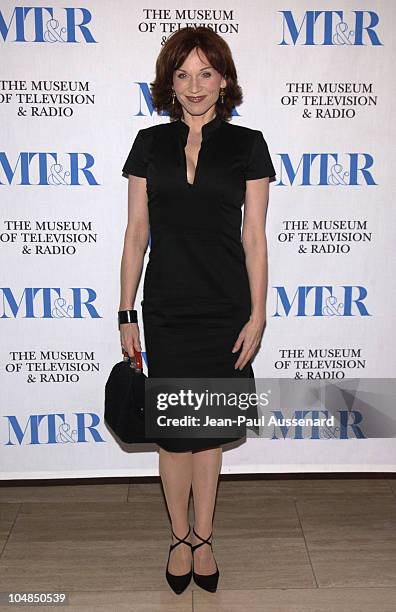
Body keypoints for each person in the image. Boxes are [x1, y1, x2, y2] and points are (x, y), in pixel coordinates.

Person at [119, 26, 276, 594]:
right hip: (164, 306)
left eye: (205, 73)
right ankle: (178, 537)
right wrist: (125, 313)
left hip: (224, 306)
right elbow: (137, 233)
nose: (194, 86)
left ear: (224, 79)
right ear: (169, 83)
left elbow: (254, 238)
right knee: (171, 434)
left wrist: (258, 315)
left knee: (208, 432)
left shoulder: (249, 145)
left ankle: (204, 538)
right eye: (182, 74)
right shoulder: (148, 144)